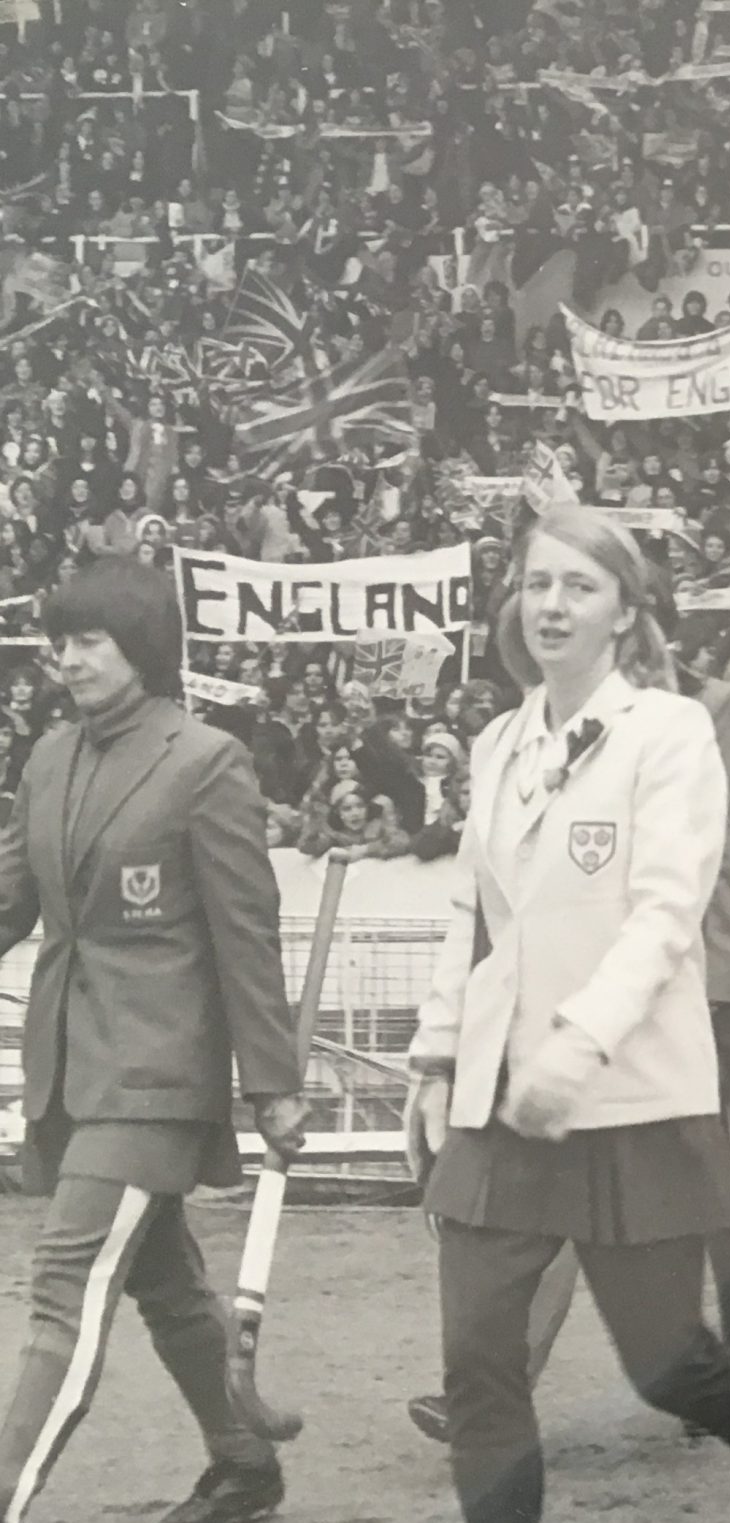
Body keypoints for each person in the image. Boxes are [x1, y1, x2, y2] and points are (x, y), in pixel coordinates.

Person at [400, 510, 730, 1523]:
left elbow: (663, 913)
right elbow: (472, 916)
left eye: (578, 586)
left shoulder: (670, 730)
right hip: (503, 1101)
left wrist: (579, 1041)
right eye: (536, 582)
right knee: (477, 1359)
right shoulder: (496, 742)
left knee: (667, 1363)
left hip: (625, 1094)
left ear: (626, 611)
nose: (550, 603)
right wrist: (435, 1056)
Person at [0, 557, 308, 1523]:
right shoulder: (49, 754)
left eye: (90, 639)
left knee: (65, 1278)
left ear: (142, 647)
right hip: (71, 1070)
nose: (67, 657)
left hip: (156, 1077)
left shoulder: (206, 759)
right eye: (61, 639)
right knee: (166, 1285)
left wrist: (275, 1083)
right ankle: (246, 1462)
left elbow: (244, 937)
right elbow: (11, 894)